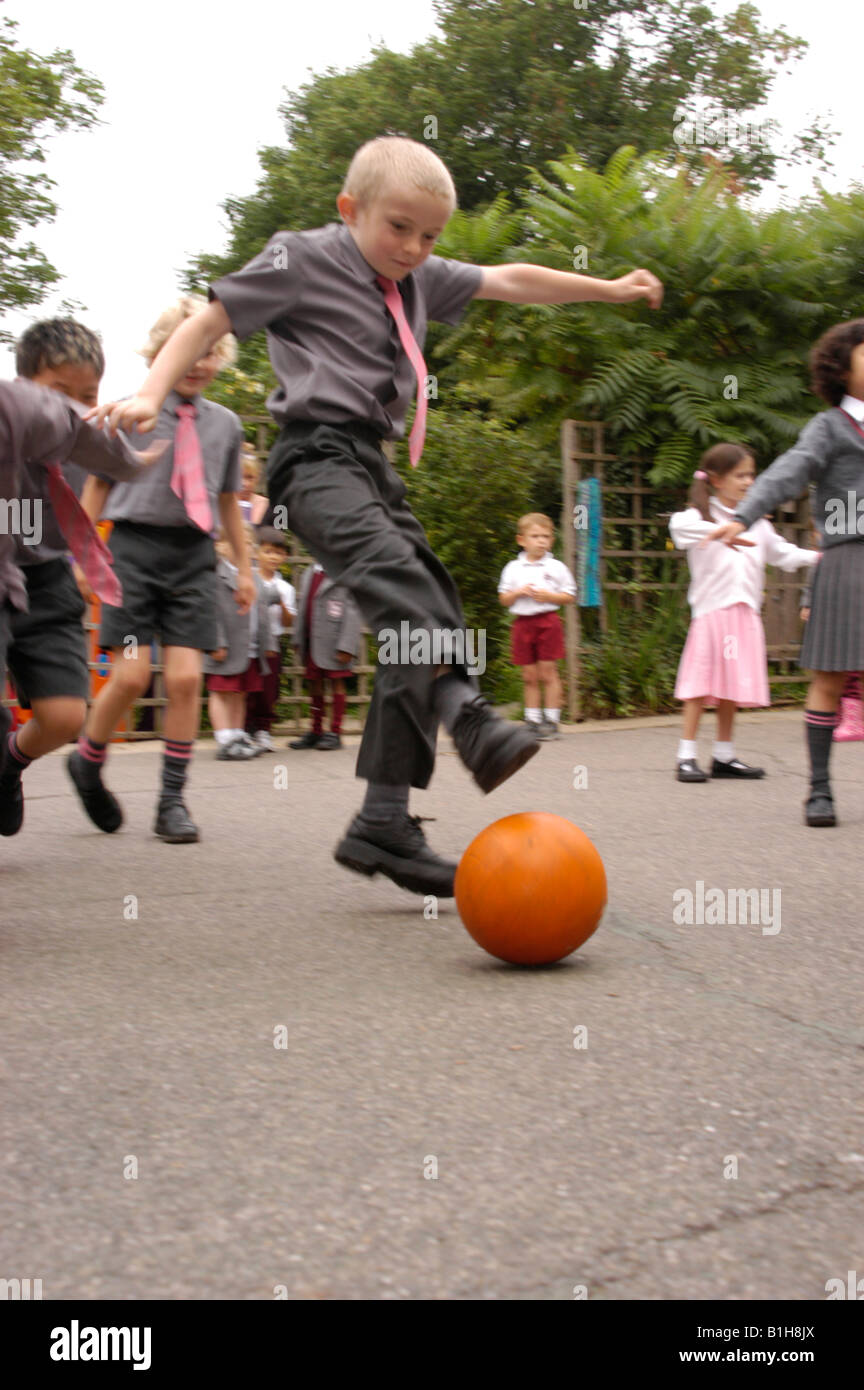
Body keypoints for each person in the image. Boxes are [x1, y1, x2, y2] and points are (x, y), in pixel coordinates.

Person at [90, 135, 662, 894]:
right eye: (399, 227)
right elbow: (207, 324)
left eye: (431, 236)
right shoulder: (303, 257)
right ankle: (465, 714)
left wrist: (610, 289)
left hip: (371, 463)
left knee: (427, 607)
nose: (415, 248)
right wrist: (152, 396)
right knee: (399, 584)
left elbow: (511, 280)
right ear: (350, 209)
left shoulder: (419, 276)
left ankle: (383, 822)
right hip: (313, 458)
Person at [67, 295, 254, 844]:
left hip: (194, 559)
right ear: (159, 353)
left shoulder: (227, 425)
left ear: (219, 354)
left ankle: (171, 801)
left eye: (208, 350)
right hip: (131, 555)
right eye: (185, 350)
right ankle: (86, 761)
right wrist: (84, 555)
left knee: (185, 678)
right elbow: (98, 486)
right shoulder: (132, 411)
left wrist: (244, 568)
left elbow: (227, 504)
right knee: (128, 677)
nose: (197, 362)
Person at [0, 326, 162, 837]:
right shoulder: (8, 423)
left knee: (66, 715)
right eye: (58, 394)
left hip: (48, 580)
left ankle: (10, 764)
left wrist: (82, 565)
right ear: (25, 383)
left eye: (86, 397)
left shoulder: (85, 441)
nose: (72, 409)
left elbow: (100, 482)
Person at [710, 318, 864, 825]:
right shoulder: (828, 427)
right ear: (841, 368)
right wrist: (743, 514)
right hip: (847, 560)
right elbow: (789, 470)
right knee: (829, 677)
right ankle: (819, 792)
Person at [670, 443, 819, 784]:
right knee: (698, 685)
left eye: (752, 475)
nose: (749, 481)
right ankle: (686, 756)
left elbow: (781, 553)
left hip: (744, 615)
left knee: (729, 688)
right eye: (741, 475)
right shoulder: (697, 517)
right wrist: (720, 532)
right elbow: (678, 531)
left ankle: (724, 755)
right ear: (718, 480)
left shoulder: (757, 523)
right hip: (711, 614)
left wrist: (819, 559)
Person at [498, 512, 576, 739]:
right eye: (535, 536)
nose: (541, 541)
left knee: (548, 673)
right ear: (521, 540)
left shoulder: (556, 566)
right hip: (523, 624)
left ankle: (551, 721)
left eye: (546, 536)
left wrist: (549, 596)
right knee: (529, 675)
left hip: (548, 622)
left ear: (551, 540)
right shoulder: (513, 568)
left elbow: (569, 595)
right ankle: (532, 720)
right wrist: (519, 592)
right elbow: (503, 599)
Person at [204, 527, 279, 759]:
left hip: (250, 648)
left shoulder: (253, 576)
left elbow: (264, 613)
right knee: (221, 691)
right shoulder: (216, 575)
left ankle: (238, 734)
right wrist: (216, 642)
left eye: (248, 542)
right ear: (223, 546)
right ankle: (224, 737)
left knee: (240, 693)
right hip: (225, 646)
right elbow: (209, 611)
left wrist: (269, 644)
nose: (245, 547)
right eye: (239, 541)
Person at [289, 562, 361, 751]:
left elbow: (353, 612)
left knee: (337, 683)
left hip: (335, 642)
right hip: (312, 641)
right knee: (315, 684)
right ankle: (316, 730)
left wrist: (347, 645)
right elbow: (302, 608)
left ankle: (335, 732)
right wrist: (298, 637)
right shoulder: (308, 573)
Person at [245, 526, 295, 751]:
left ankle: (264, 730)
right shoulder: (248, 580)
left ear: (284, 556)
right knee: (247, 687)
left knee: (268, 689)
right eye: (268, 551)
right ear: (257, 553)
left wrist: (282, 603)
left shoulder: (285, 587)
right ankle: (246, 729)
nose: (273, 557)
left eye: (278, 553)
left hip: (272, 643)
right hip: (249, 642)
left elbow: (287, 622)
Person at [238, 443, 269, 526]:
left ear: (257, 478)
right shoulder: (220, 506)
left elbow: (280, 535)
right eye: (239, 477)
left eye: (250, 477)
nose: (244, 483)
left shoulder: (271, 507)